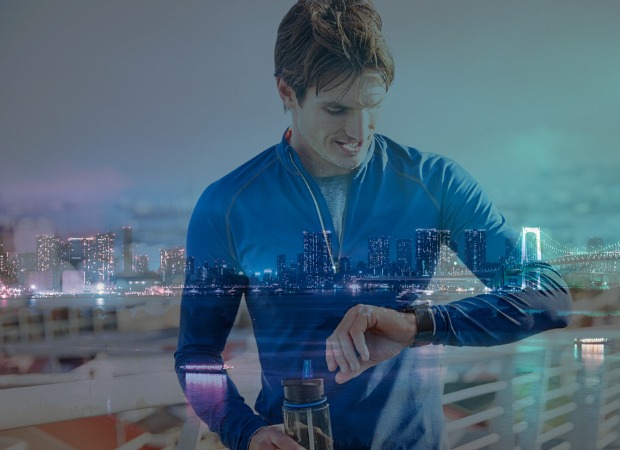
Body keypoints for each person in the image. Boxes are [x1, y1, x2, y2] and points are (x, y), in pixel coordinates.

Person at [174, 1, 572, 449]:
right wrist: (245, 432)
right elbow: (196, 356)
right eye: (337, 110)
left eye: (372, 105)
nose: (358, 132)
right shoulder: (228, 206)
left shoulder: (435, 183)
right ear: (287, 93)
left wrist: (419, 324)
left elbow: (548, 296)